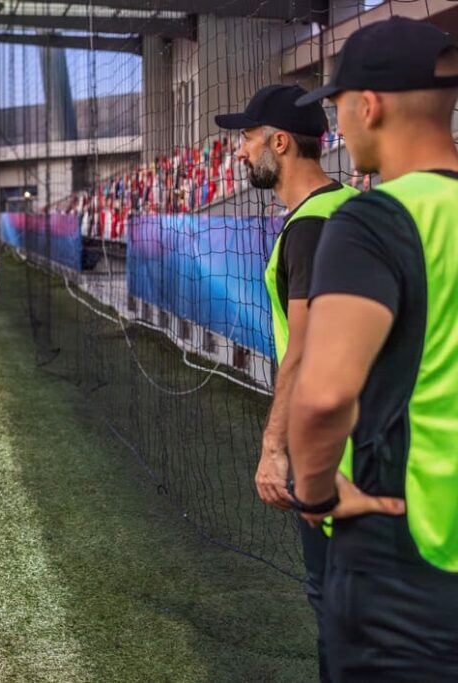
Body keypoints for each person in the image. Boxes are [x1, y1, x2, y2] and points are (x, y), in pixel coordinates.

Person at [288, 16, 458, 681]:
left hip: (407, 560)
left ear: (370, 104)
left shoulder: (375, 218)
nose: (337, 125)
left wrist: (317, 494)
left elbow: (325, 396)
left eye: (336, 105)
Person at [214, 84, 358, 682]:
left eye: (247, 138)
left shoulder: (312, 227)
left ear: (279, 142)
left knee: (340, 617)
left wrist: (274, 448)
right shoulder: (342, 206)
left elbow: (303, 350)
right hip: (363, 444)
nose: (241, 152)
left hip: (339, 456)